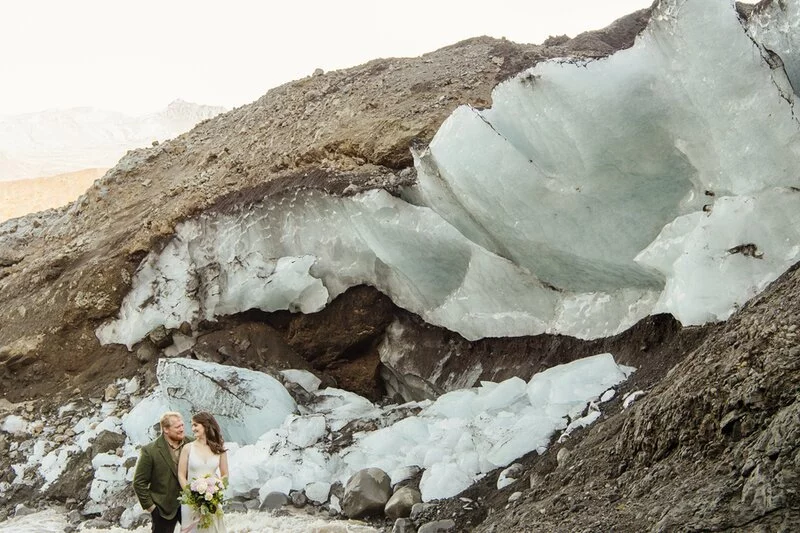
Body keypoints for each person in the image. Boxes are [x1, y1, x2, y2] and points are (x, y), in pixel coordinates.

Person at [133, 412, 193, 533]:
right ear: (165, 429)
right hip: (162, 510)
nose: (182, 429)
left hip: (190, 506)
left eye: (182, 425)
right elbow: (139, 482)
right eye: (177, 427)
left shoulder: (192, 444)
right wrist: (152, 508)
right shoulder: (150, 451)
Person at [178, 412, 229, 533]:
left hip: (212, 501)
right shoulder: (188, 448)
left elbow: (225, 474)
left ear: (206, 425)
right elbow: (180, 474)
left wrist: (216, 490)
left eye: (196, 425)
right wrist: (190, 494)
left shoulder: (219, 448)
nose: (193, 428)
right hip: (190, 503)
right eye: (192, 425)